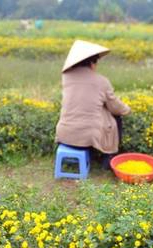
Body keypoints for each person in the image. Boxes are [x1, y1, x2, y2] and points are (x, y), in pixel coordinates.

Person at [55, 40, 131, 169]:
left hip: (64, 134)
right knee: (114, 117)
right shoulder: (102, 81)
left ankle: (83, 156)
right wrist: (127, 109)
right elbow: (115, 107)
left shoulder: (66, 77)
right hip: (88, 137)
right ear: (92, 63)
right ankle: (109, 157)